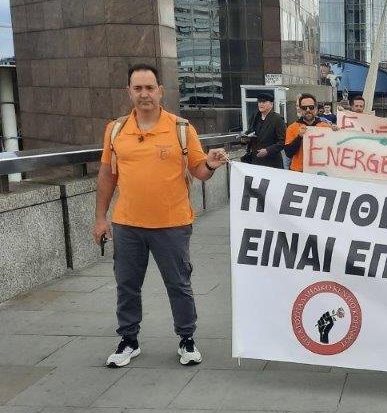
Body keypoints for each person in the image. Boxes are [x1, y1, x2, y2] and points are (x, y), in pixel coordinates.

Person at [93, 64, 229, 368]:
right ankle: (128, 339)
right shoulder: (115, 130)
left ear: (160, 91)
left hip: (172, 224)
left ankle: (187, 338)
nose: (144, 94)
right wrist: (101, 217)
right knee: (126, 285)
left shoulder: (181, 128)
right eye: (138, 88)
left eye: (149, 88)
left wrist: (210, 163)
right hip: (127, 224)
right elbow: (106, 175)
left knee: (179, 284)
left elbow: (199, 171)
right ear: (129, 92)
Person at [284, 93, 334, 172]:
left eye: (311, 107)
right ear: (300, 110)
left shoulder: (326, 127)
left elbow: (334, 150)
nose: (308, 110)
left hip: (320, 171)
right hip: (299, 171)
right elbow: (288, 153)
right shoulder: (292, 128)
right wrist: (299, 137)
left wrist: (338, 132)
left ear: (316, 108)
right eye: (304, 108)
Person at [246, 92, 286, 168]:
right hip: (256, 161)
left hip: (272, 162)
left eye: (264, 102)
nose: (261, 104)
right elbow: (250, 132)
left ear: (271, 104)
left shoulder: (277, 119)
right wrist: (244, 139)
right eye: (259, 102)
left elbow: (282, 141)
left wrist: (267, 150)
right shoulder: (255, 117)